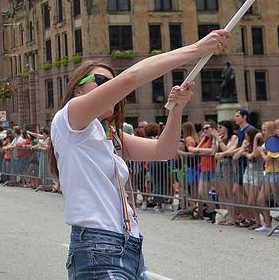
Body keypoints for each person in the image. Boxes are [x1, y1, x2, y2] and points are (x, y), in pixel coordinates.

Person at [50, 29, 228, 279]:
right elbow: (130, 78)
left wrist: (176, 112)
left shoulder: (108, 134)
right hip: (97, 244)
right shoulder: (70, 119)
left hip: (129, 244)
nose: (111, 88)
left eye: (110, 82)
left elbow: (162, 150)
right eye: (101, 82)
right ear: (77, 90)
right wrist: (197, 49)